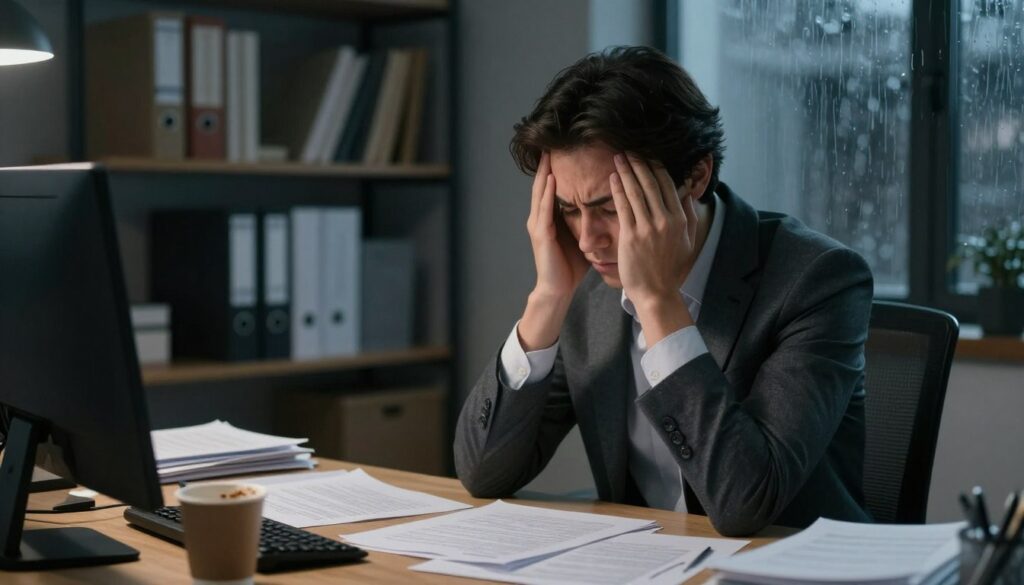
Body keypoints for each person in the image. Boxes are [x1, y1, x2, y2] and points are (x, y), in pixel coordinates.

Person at [453, 46, 873, 536]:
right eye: (569, 209)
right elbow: (483, 472)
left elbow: (745, 504)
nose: (587, 239)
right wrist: (547, 297)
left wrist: (656, 301)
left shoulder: (818, 280)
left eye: (610, 206)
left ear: (695, 176)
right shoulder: (587, 290)